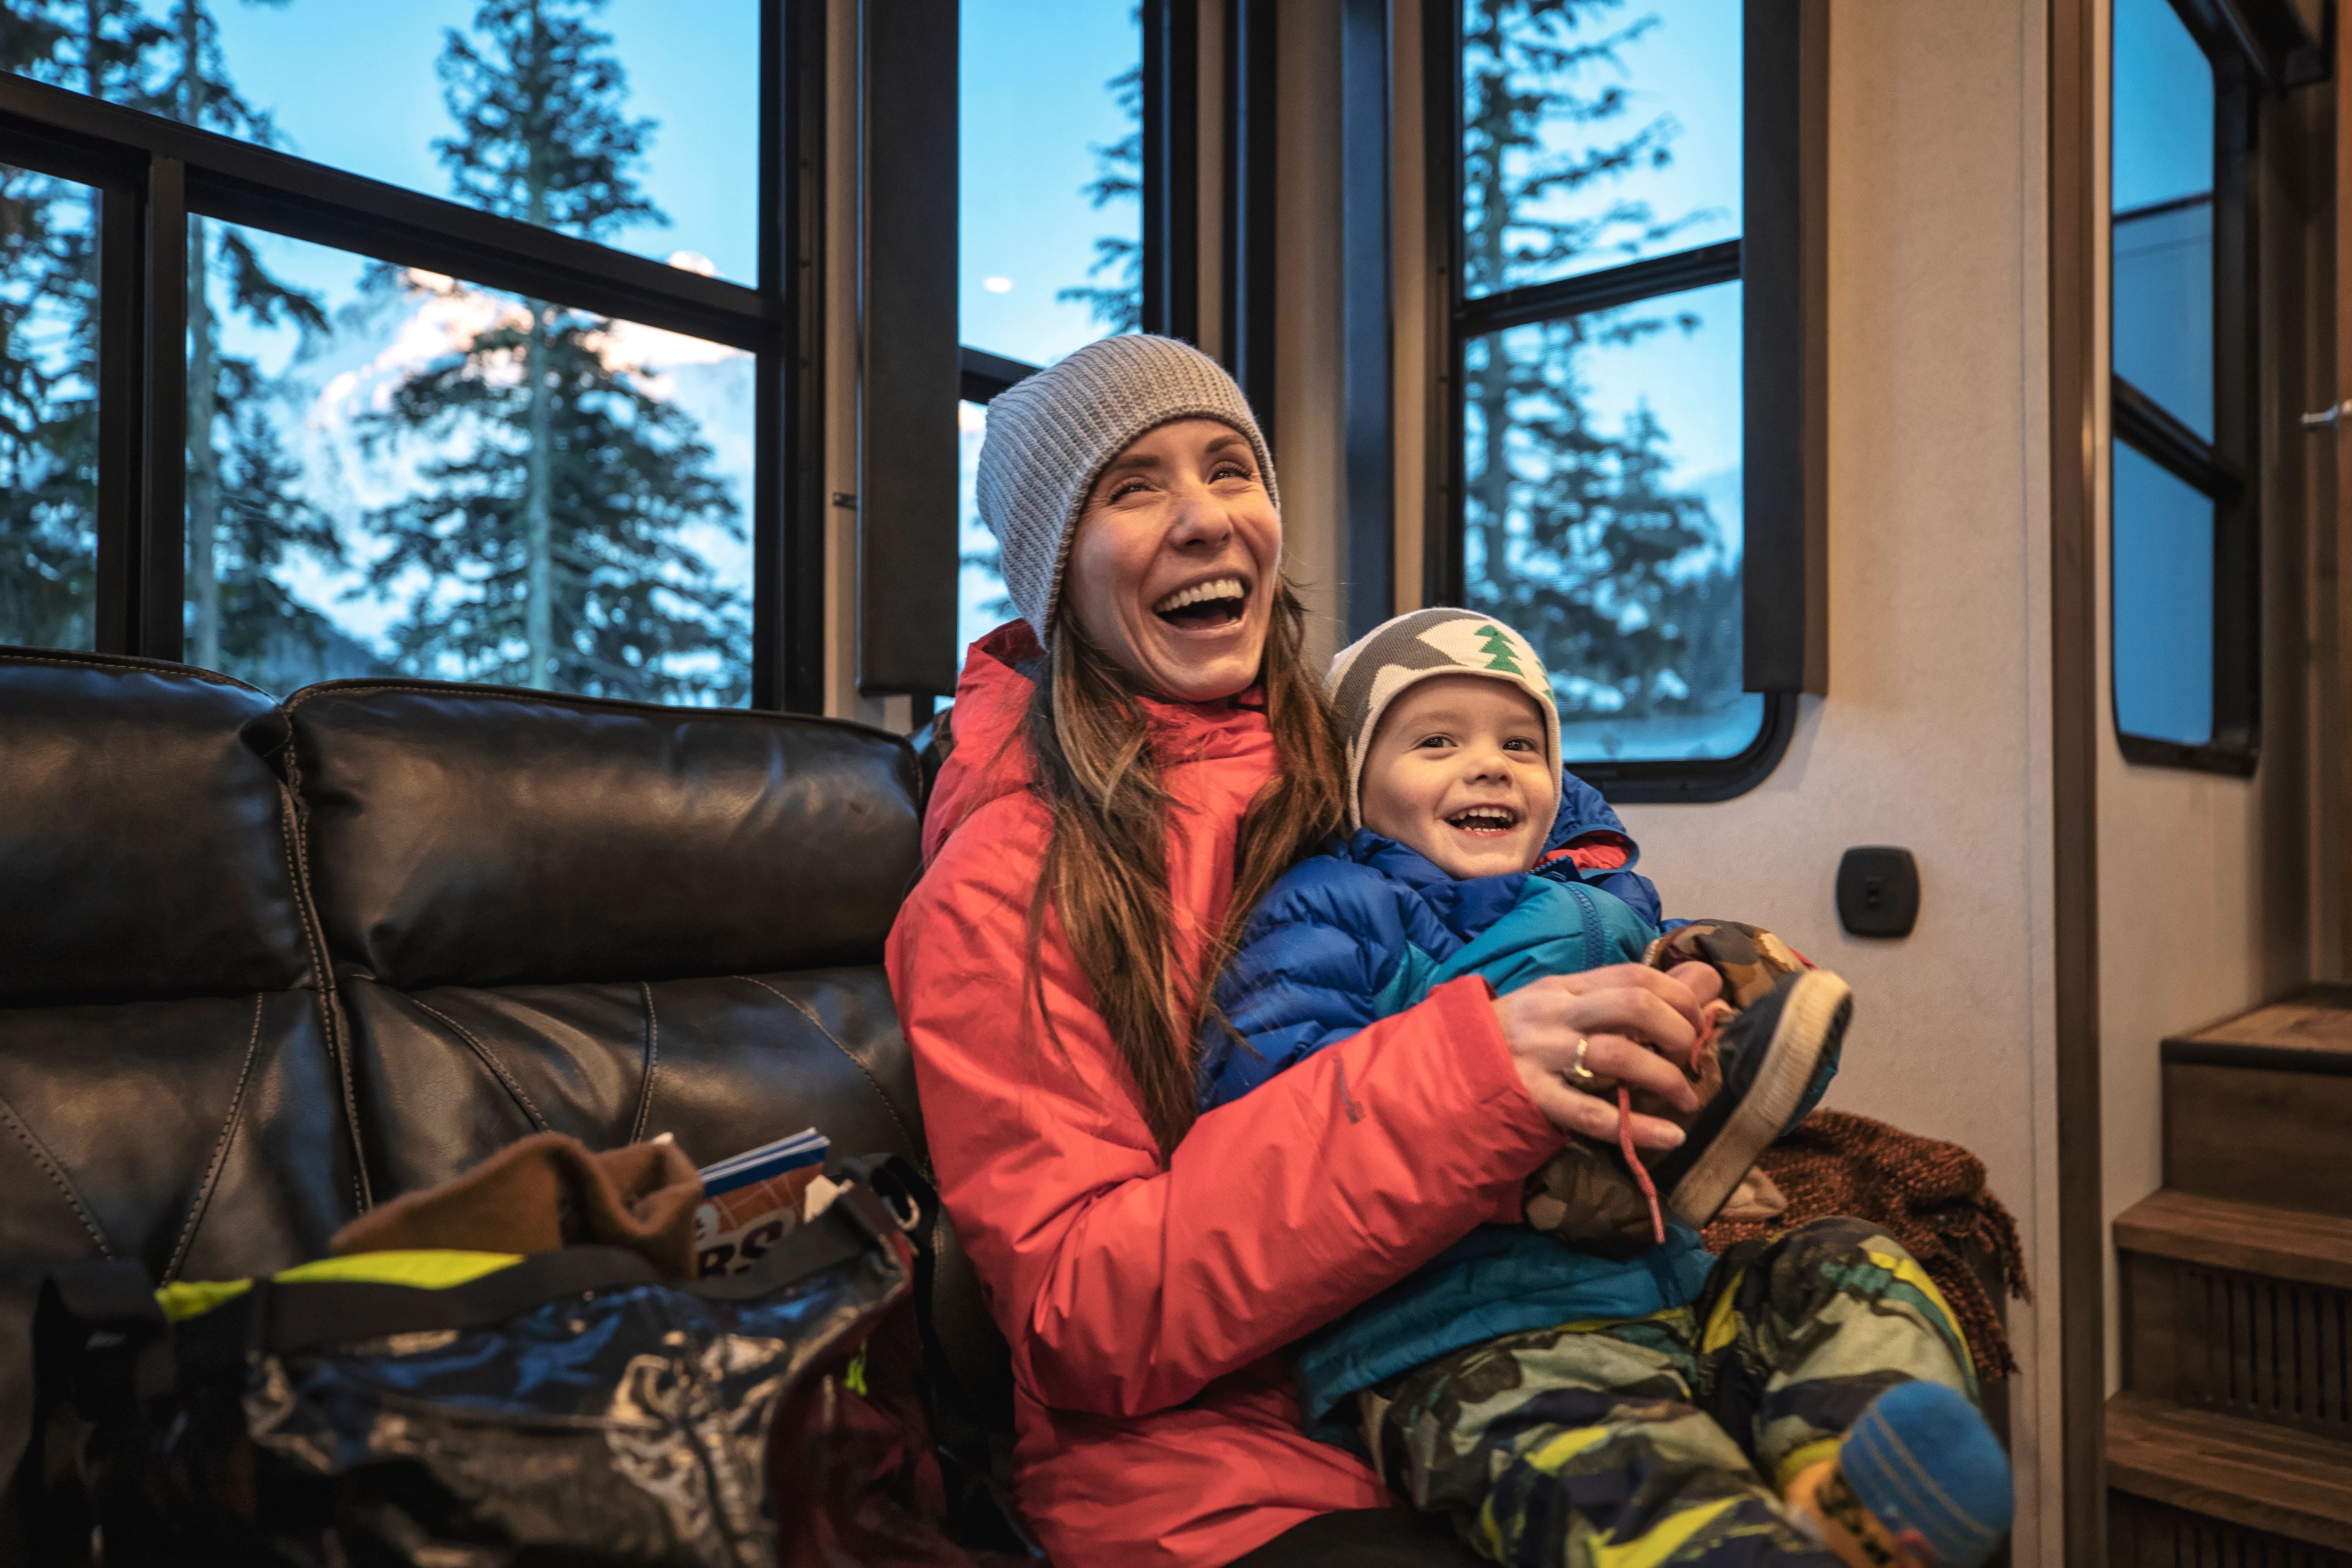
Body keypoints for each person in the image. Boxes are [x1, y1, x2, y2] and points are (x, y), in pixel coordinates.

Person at [885, 334, 2008, 1568]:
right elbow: (1083, 1316)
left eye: (1231, 469)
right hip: (1227, 1475)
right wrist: (1475, 1080)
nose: (1206, 518)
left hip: (1542, 1300)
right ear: (1052, 569)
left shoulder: (1352, 756)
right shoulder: (1001, 890)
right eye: (1133, 487)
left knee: (1859, 1290)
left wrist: (1674, 987)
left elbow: (1544, 893)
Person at [1200, 609, 2011, 1568]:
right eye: (1435, 741)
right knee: (1632, 1475)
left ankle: (1850, 1494)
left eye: (1520, 743)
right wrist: (1529, 1168)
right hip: (1461, 1335)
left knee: (1843, 1262)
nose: (1492, 764)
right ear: (1349, 778)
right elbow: (1279, 1110)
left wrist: (1714, 988)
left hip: (1665, 1296)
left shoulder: (1602, 902)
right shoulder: (1332, 909)